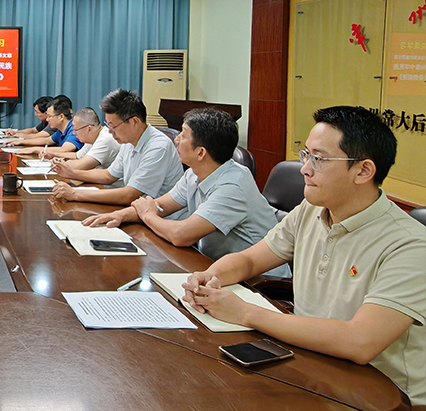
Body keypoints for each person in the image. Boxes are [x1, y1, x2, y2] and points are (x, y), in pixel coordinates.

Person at [182, 106, 424, 411]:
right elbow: (250, 261)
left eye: (318, 159)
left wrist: (245, 312)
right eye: (306, 155)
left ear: (364, 171)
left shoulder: (410, 245)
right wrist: (210, 277)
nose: (304, 169)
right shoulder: (311, 210)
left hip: (384, 405)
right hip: (311, 367)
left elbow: (360, 342)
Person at [89, 109, 288, 276]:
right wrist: (120, 215)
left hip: (260, 280)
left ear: (200, 152)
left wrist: (147, 215)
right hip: (213, 265)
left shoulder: (232, 186)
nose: (176, 139)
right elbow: (161, 205)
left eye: (183, 135)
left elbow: (181, 235)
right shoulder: (195, 173)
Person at [52, 89, 183, 206]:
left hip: (162, 218)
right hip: (138, 210)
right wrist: (72, 173)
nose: (110, 131)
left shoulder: (158, 147)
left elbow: (130, 195)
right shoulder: (128, 141)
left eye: (113, 126)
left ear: (134, 121)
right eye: (108, 125)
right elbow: (109, 175)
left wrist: (74, 194)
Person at [48, 107, 120, 171]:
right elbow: (77, 156)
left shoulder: (105, 139)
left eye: (76, 130)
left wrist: (60, 163)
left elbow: (81, 165)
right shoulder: (93, 137)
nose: (74, 133)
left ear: (89, 129)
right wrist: (54, 154)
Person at [13, 96, 83, 154]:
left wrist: (35, 149)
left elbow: (64, 149)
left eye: (49, 116)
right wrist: (21, 142)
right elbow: (47, 140)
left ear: (61, 117)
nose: (47, 119)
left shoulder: (75, 129)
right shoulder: (61, 130)